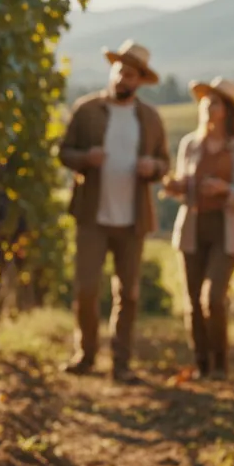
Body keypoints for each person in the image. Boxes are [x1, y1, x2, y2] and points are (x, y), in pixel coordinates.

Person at [57, 40, 171, 382]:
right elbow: (64, 152)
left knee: (129, 294)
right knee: (86, 288)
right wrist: (84, 160)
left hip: (133, 219)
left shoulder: (150, 118)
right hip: (93, 215)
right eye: (121, 71)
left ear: (139, 80)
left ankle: (121, 363)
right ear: (113, 71)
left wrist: (153, 167)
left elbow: (165, 164)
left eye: (131, 74)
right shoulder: (87, 109)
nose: (124, 78)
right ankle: (86, 354)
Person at [162, 77, 234, 379]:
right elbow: (184, 186)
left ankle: (221, 363)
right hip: (193, 228)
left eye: (214, 101)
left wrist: (226, 190)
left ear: (227, 110)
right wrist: (176, 186)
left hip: (226, 230)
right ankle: (201, 363)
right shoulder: (190, 144)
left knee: (213, 297)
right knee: (193, 303)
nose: (206, 105)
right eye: (205, 100)